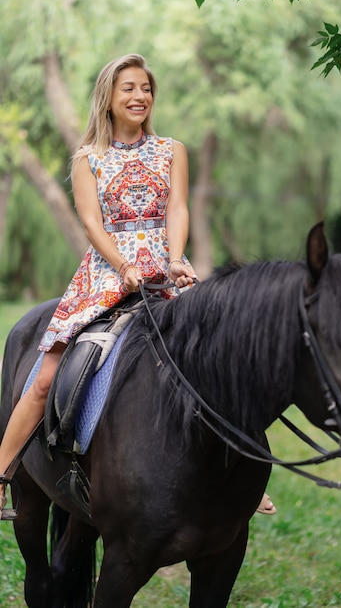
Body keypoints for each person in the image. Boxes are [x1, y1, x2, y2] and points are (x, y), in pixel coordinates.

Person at [0, 53, 274, 519]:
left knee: (226, 358)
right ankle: (3, 475)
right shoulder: (89, 158)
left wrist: (172, 260)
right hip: (106, 271)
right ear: (108, 97)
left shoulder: (172, 150)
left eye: (146, 88)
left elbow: (178, 210)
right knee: (45, 378)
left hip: (166, 265)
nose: (139, 96)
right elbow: (91, 223)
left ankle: (244, 471)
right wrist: (124, 266)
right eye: (128, 88)